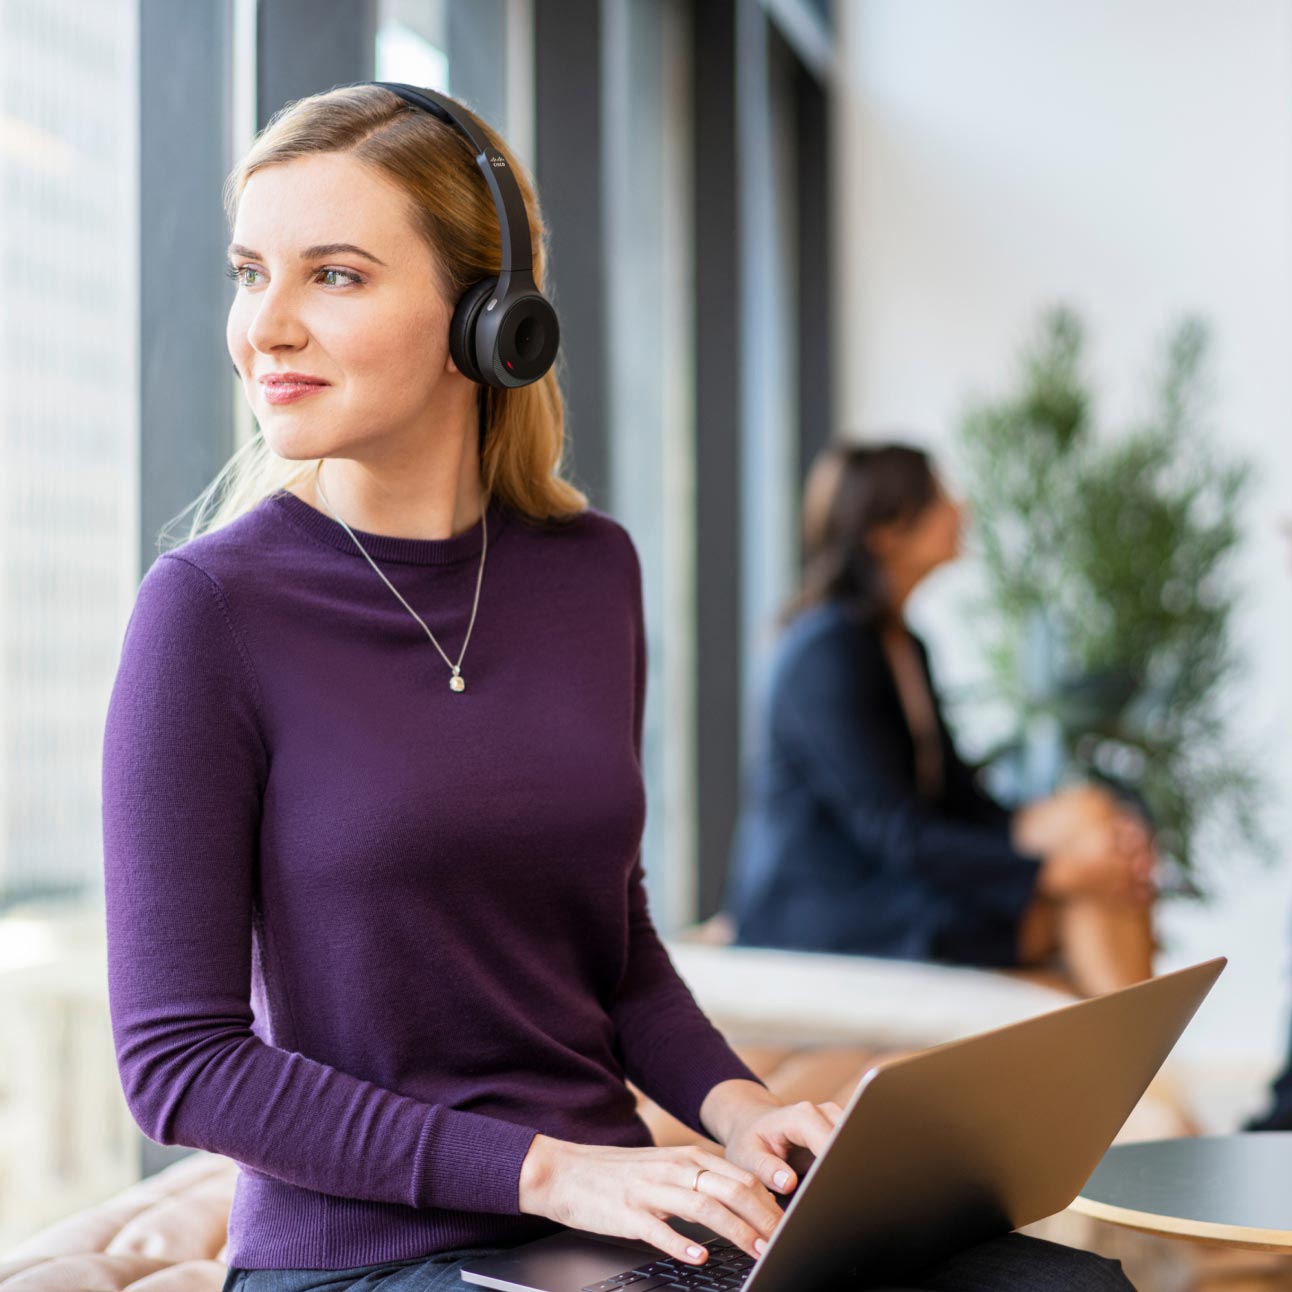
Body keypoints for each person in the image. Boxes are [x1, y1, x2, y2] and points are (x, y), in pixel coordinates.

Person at [100, 87, 1134, 1292]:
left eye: (332, 275)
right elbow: (180, 1061)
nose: (263, 326)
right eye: (247, 271)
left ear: (489, 318)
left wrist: (742, 1110)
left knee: (1058, 1285)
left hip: (600, 1229)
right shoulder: (207, 611)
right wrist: (555, 1170)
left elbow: (616, 943)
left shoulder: (591, 571)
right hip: (370, 1256)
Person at [726, 441, 1158, 998]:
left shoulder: (904, 645)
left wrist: (1088, 844)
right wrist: (1057, 871)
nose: (961, 509)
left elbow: (960, 802)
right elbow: (897, 832)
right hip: (832, 903)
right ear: (885, 533)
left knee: (1094, 816)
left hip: (894, 870)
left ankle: (1140, 1070)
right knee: (1087, 891)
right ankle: (1146, 1074)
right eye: (938, 496)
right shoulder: (826, 652)